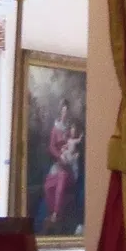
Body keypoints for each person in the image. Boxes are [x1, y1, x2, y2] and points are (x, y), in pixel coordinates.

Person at [42, 99, 82, 234]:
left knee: (62, 178)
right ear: (60, 112)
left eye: (67, 111)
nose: (65, 114)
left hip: (69, 164)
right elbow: (51, 147)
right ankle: (53, 213)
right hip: (60, 161)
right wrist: (59, 155)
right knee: (48, 185)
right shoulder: (55, 128)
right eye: (63, 111)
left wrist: (70, 154)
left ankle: (56, 214)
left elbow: (75, 145)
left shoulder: (71, 129)